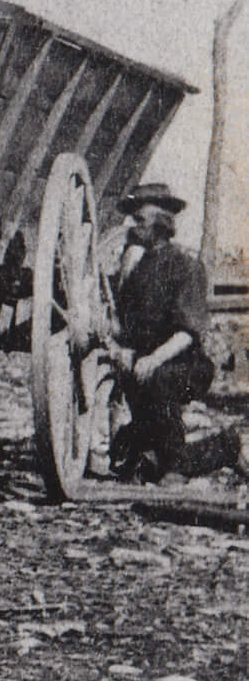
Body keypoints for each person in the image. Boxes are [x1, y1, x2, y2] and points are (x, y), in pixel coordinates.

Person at [102, 183, 221, 483]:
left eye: (139, 221)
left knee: (160, 380)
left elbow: (188, 332)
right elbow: (126, 327)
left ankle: (220, 449)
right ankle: (164, 455)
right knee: (126, 459)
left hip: (186, 364)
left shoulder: (185, 267)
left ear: (160, 224)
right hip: (145, 364)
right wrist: (118, 345)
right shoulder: (139, 269)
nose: (131, 227)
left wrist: (153, 359)